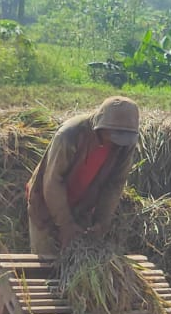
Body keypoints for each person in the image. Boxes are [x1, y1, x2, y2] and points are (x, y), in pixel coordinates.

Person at [25, 96, 140, 257]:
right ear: (101, 126)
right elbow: (53, 181)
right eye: (114, 135)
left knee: (79, 260)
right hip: (46, 204)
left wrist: (101, 221)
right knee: (46, 262)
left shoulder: (125, 145)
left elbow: (115, 184)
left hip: (82, 206)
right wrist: (66, 225)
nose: (118, 143)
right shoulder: (70, 135)